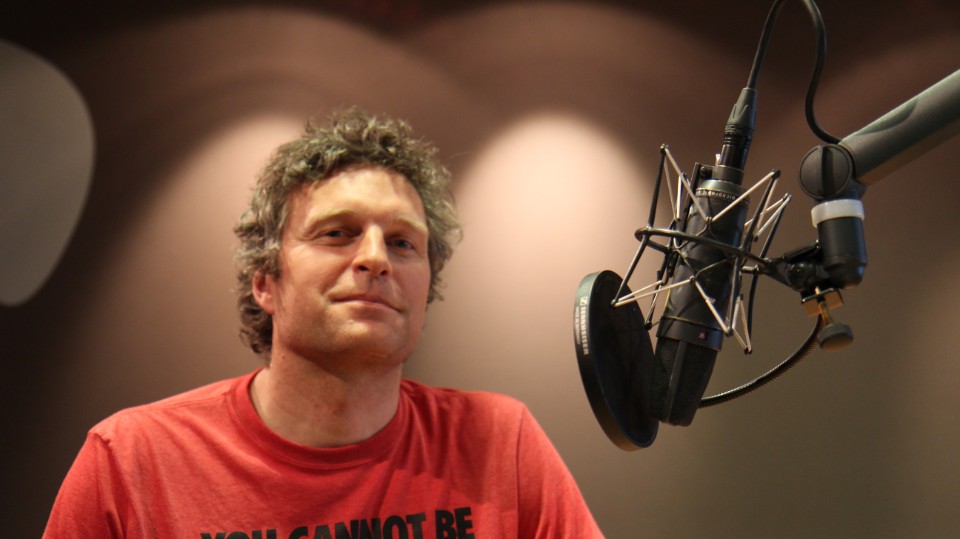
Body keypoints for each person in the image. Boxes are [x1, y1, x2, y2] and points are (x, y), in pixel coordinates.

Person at [44, 108, 605, 538]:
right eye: (338, 233)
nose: (376, 258)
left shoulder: (501, 442)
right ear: (265, 281)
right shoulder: (130, 461)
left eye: (403, 243)